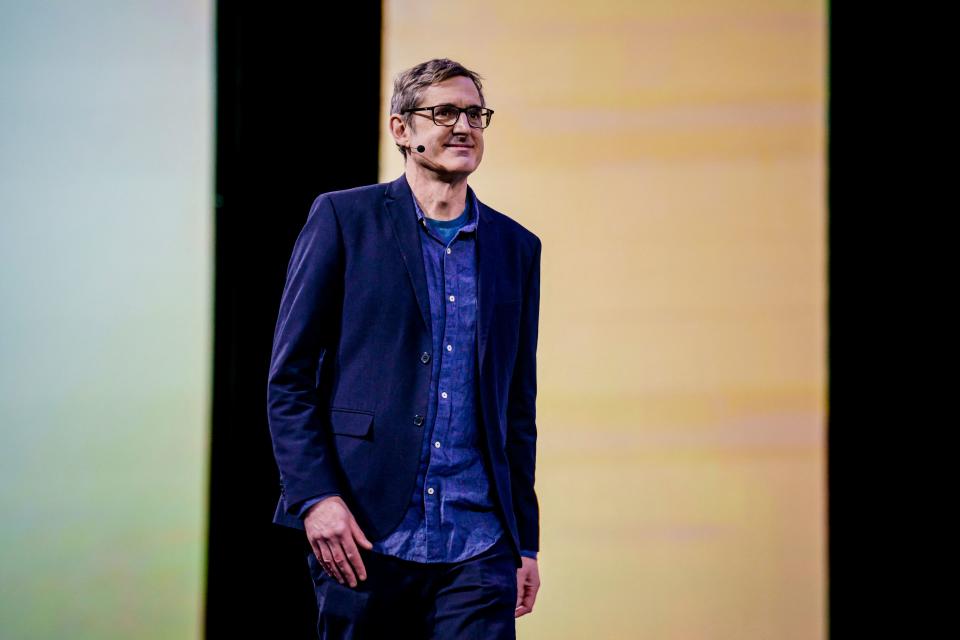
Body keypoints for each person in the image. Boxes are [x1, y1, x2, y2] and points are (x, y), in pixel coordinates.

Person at [267, 58, 541, 639]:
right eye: (444, 112)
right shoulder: (344, 218)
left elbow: (517, 407)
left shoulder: (516, 247)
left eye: (475, 113)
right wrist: (315, 498)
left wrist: (525, 540)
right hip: (364, 532)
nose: (464, 126)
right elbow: (288, 380)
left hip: (480, 543)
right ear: (401, 129)